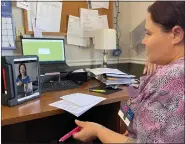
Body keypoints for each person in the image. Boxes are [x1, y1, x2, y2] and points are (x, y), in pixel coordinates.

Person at [72, 1, 185, 143]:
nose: (144, 41)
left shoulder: (173, 77)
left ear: (176, 34)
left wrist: (98, 130)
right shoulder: (166, 71)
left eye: (148, 33)